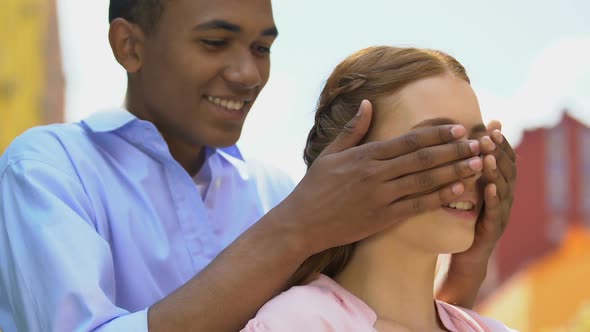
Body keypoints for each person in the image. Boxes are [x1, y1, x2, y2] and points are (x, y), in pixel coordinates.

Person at [0, 1, 515, 331]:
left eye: (262, 48)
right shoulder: (48, 169)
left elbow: (374, 316)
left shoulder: (274, 189)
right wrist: (295, 229)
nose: (248, 73)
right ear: (128, 45)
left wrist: (468, 263)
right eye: (214, 43)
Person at [242, 46, 517, 331]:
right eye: (440, 144)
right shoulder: (295, 323)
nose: (472, 167)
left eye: (479, 145)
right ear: (349, 166)